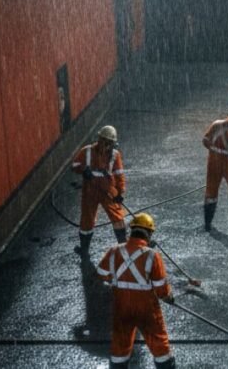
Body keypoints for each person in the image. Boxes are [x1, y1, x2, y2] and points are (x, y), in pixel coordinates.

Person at [96, 213, 175, 369]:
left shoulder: (113, 251)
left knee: (120, 345)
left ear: (131, 231)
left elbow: (102, 274)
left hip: (122, 306)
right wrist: (168, 297)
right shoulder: (152, 255)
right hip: (146, 308)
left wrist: (117, 281)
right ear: (149, 233)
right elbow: (161, 288)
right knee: (159, 345)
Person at [72, 125, 127, 255]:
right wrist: (83, 170)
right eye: (105, 141)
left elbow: (119, 174)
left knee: (117, 217)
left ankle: (124, 247)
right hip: (90, 190)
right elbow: (74, 165)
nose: (107, 145)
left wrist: (120, 192)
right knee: (87, 219)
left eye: (109, 142)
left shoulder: (115, 155)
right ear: (100, 139)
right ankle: (84, 249)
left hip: (108, 190)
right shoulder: (87, 151)